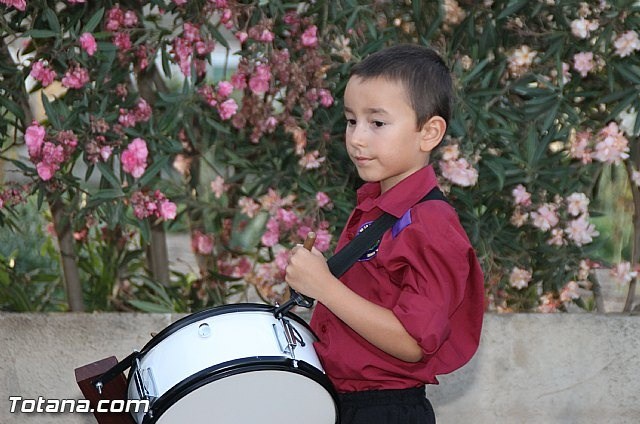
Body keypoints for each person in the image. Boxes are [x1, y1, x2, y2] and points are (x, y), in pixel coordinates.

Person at [285, 44, 485, 424]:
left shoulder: (429, 224)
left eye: (377, 123)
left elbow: (412, 343)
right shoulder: (375, 208)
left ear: (429, 133)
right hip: (346, 400)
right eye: (350, 121)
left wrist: (324, 286)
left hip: (386, 410)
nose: (357, 138)